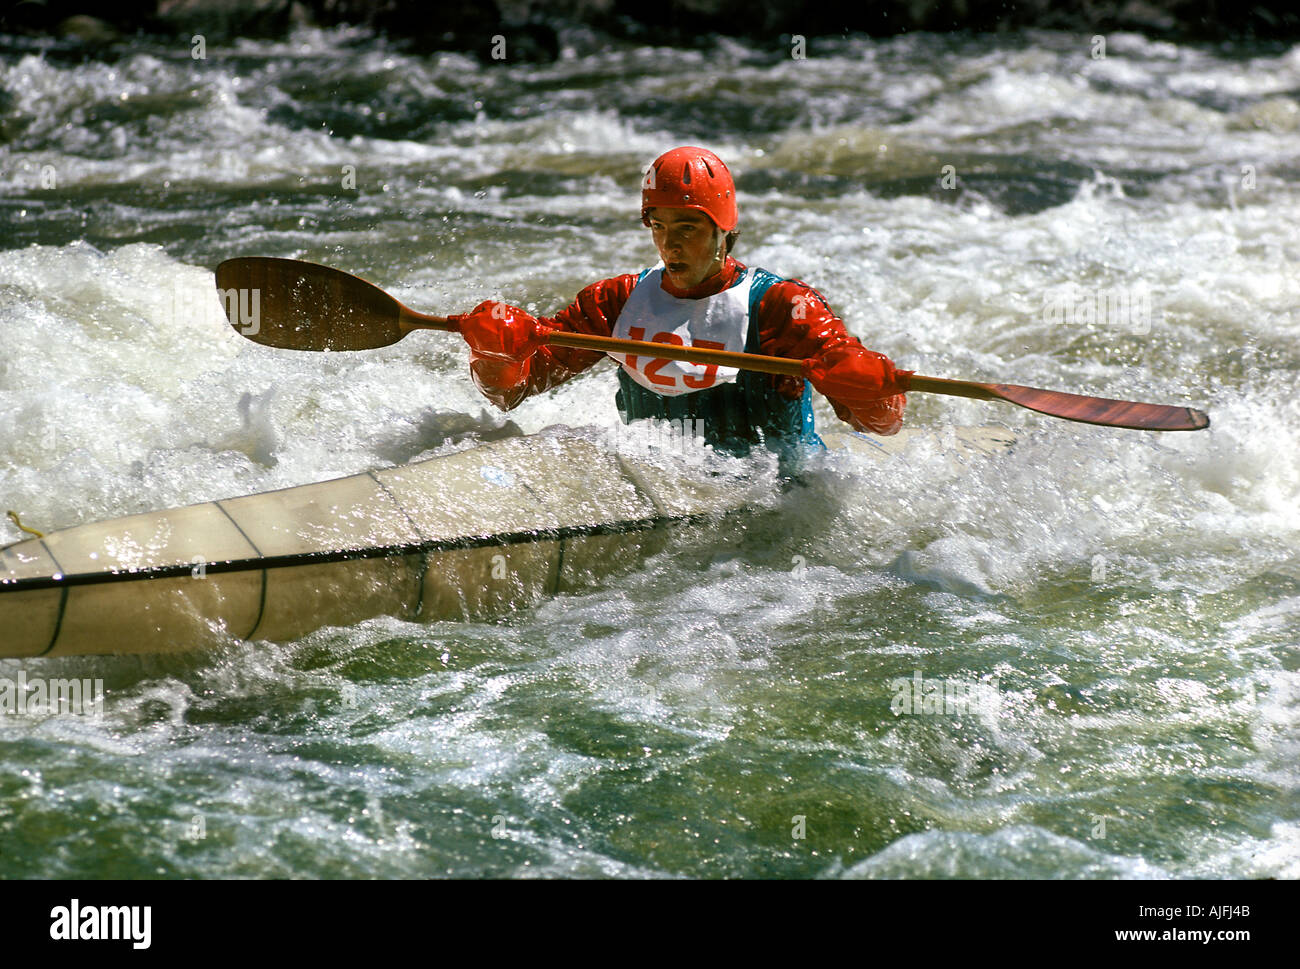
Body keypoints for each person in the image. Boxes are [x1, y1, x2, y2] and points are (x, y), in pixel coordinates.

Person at [450, 146, 909, 468]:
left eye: (688, 227)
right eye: (658, 225)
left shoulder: (782, 306)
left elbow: (884, 424)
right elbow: (513, 393)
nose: (669, 243)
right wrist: (496, 355)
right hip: (661, 481)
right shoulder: (614, 301)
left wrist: (868, 386)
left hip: (777, 491)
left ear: (724, 233)